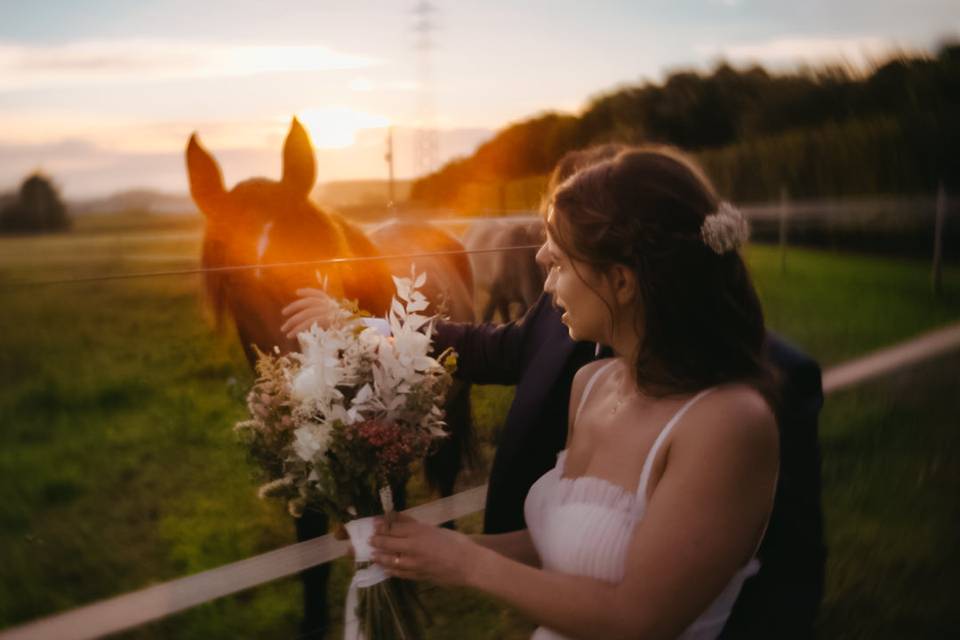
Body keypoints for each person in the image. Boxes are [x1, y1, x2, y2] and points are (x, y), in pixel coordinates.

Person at [280, 146, 825, 638]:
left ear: (622, 282)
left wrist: (467, 565)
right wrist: (420, 548)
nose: (544, 285)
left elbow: (640, 619)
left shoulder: (728, 423)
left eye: (560, 264)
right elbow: (561, 541)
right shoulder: (591, 385)